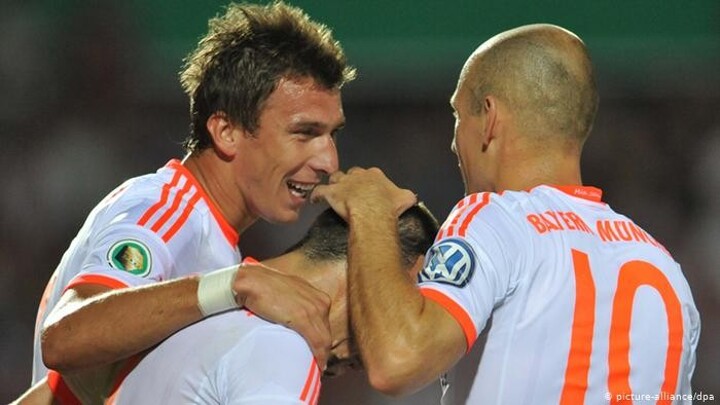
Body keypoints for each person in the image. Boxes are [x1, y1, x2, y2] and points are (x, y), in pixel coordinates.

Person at [313, 24, 701, 404]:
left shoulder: (495, 220)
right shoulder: (666, 270)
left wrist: (370, 210)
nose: (453, 143)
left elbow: (399, 360)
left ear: (490, 118)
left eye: (458, 116)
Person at [31, 2, 355, 403]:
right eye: (304, 133)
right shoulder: (166, 210)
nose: (328, 161)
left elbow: (60, 391)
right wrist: (237, 284)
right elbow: (65, 337)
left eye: (332, 135)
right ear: (226, 132)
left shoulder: (212, 242)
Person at [15, 205, 439, 404]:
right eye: (404, 305)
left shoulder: (171, 312)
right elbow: (63, 342)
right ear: (381, 275)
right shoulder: (282, 349)